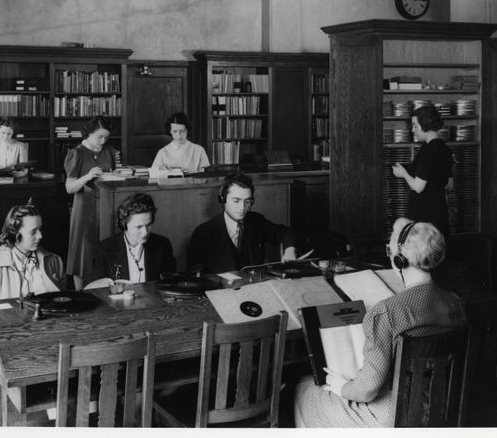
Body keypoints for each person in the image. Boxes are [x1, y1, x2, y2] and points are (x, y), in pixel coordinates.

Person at [294, 217, 466, 427]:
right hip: (440, 404)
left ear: (399, 260)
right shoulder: (455, 302)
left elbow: (366, 390)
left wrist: (342, 388)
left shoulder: (387, 312)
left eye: (390, 251)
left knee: (305, 388)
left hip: (394, 416)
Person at [187, 172, 297, 274]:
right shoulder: (203, 233)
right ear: (222, 199)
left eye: (247, 201)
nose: (242, 208)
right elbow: (195, 276)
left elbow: (287, 233)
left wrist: (290, 251)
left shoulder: (256, 221)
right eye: (236, 201)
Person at [0, 202, 65, 302]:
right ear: (15, 234)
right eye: (33, 232)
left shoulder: (54, 262)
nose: (40, 236)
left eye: (40, 229)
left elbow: (62, 304)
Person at [64, 116, 117, 289]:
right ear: (89, 134)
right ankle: (80, 293)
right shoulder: (77, 153)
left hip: (106, 206)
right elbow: (70, 188)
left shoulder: (109, 151)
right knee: (82, 253)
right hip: (84, 208)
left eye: (106, 137)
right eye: (99, 137)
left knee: (105, 248)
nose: (103, 141)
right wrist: (87, 176)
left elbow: (113, 175)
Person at [392, 105, 454, 237]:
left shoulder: (428, 150)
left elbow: (418, 187)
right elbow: (449, 185)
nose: (413, 130)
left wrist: (403, 174)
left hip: (424, 215)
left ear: (425, 125)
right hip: (440, 213)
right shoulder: (445, 149)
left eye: (415, 126)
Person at [92, 193, 176, 283]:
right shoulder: (103, 249)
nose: (145, 232)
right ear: (124, 225)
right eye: (138, 227)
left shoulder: (163, 245)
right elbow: (99, 291)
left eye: (149, 225)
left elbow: (169, 285)